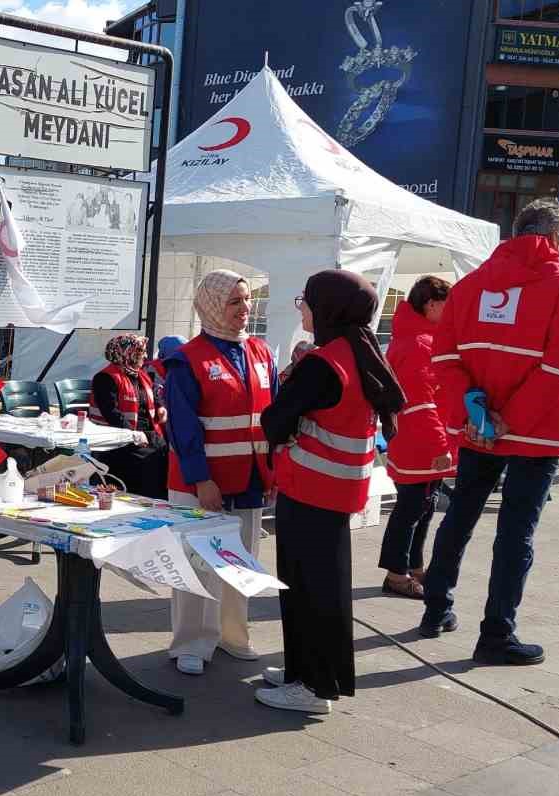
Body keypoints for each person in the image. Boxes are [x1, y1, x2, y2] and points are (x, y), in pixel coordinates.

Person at [419, 199, 559, 666]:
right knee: (516, 532)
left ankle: (436, 610)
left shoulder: (469, 286)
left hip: (478, 429)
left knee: (459, 516)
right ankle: (496, 633)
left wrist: (479, 416)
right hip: (535, 432)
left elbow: (446, 359)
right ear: (556, 239)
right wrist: (512, 419)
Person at [259, 270, 404, 713]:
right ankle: (307, 672)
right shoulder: (358, 351)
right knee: (324, 587)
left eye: (306, 299)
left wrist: (281, 434)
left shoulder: (324, 363)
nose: (300, 306)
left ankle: (312, 685)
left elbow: (275, 418)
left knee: (305, 589)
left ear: (327, 308)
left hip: (310, 490)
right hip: (336, 492)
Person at [162, 270, 277, 676]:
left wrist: (272, 470)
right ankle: (191, 641)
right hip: (201, 482)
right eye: (234, 302)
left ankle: (233, 635)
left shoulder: (262, 353)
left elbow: (272, 417)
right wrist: (201, 480)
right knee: (196, 564)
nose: (244, 309)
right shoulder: (186, 359)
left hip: (249, 478)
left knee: (240, 561)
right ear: (212, 306)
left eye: (247, 300)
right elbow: (181, 427)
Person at [378, 276, 455, 599]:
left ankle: (411, 565)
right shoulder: (419, 344)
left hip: (415, 438)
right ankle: (397, 573)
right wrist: (440, 445)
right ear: (431, 304)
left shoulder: (416, 338)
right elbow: (423, 402)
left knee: (422, 506)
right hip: (418, 441)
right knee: (411, 509)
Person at [89, 334, 169, 499]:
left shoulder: (141, 375)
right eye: (141, 352)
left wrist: (161, 407)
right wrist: (135, 436)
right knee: (150, 462)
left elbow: (154, 394)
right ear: (127, 353)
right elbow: (112, 414)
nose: (145, 356)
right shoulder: (104, 378)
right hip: (119, 440)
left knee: (168, 453)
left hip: (147, 434)